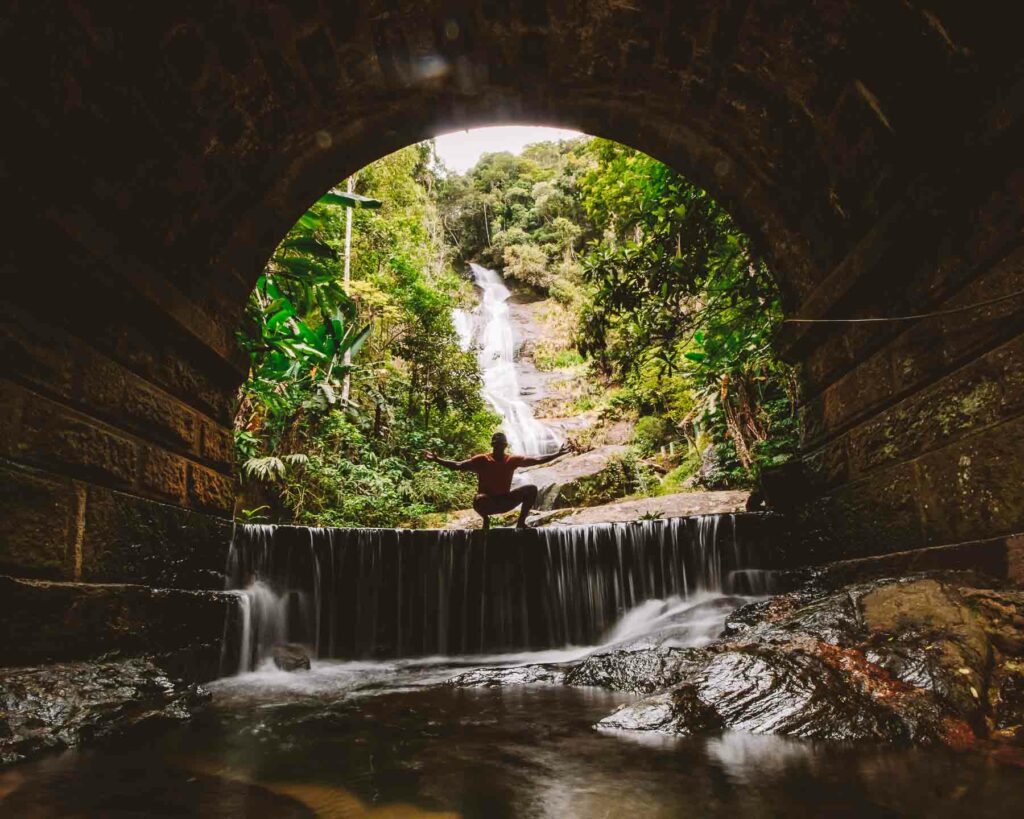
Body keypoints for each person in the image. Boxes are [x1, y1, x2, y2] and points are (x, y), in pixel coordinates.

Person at [423, 432, 569, 530]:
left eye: (501, 445)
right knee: (479, 499)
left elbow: (536, 460)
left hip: (505, 501)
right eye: (496, 444)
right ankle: (486, 520)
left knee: (531, 489)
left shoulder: (511, 460)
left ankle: (521, 523)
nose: (498, 447)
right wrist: (437, 460)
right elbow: (458, 466)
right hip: (488, 503)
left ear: (505, 446)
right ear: (492, 445)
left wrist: (558, 453)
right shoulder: (482, 460)